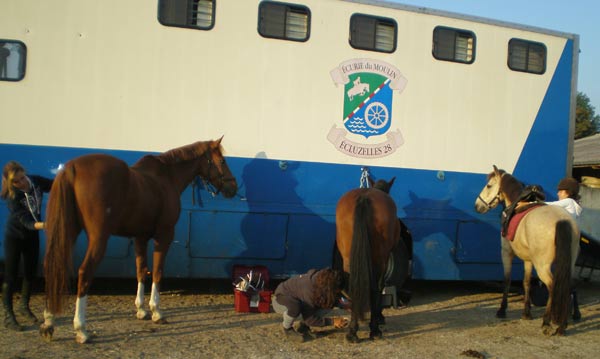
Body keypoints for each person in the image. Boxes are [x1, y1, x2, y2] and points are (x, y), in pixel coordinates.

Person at [1, 161, 53, 330]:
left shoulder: (34, 181)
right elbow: (26, 221)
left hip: (32, 237)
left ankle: (24, 307)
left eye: (22, 177)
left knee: (30, 273)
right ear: (11, 183)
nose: (21, 182)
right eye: (16, 181)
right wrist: (46, 225)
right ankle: (9, 315)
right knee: (11, 276)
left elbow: (54, 185)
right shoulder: (12, 196)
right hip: (15, 236)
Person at [272, 268, 348, 342]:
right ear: (330, 289)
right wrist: (333, 321)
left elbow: (339, 297)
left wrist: (348, 304)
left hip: (301, 299)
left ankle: (303, 327)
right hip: (280, 300)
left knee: (328, 302)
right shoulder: (310, 291)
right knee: (295, 307)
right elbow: (310, 320)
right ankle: (287, 328)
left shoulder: (325, 282)